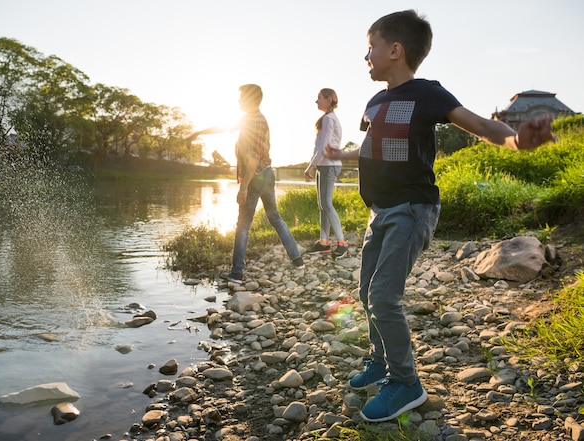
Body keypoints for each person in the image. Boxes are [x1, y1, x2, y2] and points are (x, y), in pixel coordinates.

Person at [325, 10, 556, 423]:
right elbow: (371, 147)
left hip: (412, 209)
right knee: (365, 293)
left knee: (383, 296)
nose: (366, 56)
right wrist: (338, 155)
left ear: (395, 50)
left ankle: (406, 383)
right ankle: (379, 361)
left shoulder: (427, 93)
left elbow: (482, 124)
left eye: (371, 46)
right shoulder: (375, 102)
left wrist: (518, 141)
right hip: (379, 212)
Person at [186, 84, 304, 284]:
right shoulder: (250, 119)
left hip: (256, 177)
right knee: (275, 217)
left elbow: (253, 160)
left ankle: (236, 273)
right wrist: (197, 133)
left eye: (241, 97)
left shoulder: (254, 122)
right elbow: (223, 127)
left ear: (250, 99)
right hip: (267, 174)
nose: (238, 101)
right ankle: (297, 260)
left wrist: (243, 187)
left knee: (242, 226)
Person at [303, 88, 348, 258]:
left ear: (329, 99)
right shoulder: (328, 119)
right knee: (323, 205)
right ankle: (324, 242)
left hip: (328, 165)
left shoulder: (329, 119)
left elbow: (324, 147)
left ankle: (342, 244)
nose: (317, 101)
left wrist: (311, 166)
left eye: (319, 98)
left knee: (327, 204)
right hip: (325, 165)